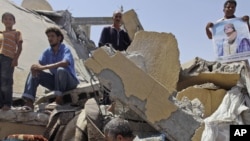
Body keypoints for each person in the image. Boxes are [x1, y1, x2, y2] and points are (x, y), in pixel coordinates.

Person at [22, 27, 79, 110]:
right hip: (56, 82)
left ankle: (59, 99)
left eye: (52, 36)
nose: (50, 38)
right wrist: (35, 67)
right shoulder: (47, 51)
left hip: (70, 82)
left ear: (59, 38)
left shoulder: (65, 48)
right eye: (48, 36)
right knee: (35, 72)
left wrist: (44, 67)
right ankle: (29, 102)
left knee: (61, 70)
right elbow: (40, 64)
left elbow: (65, 63)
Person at [0, 12, 23, 111]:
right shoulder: (1, 33)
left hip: (8, 58)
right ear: (2, 21)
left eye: (10, 19)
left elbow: (20, 47)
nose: (8, 21)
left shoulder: (16, 32)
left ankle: (7, 103)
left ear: (14, 22)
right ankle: (0, 103)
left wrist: (15, 59)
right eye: (5, 19)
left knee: (7, 81)